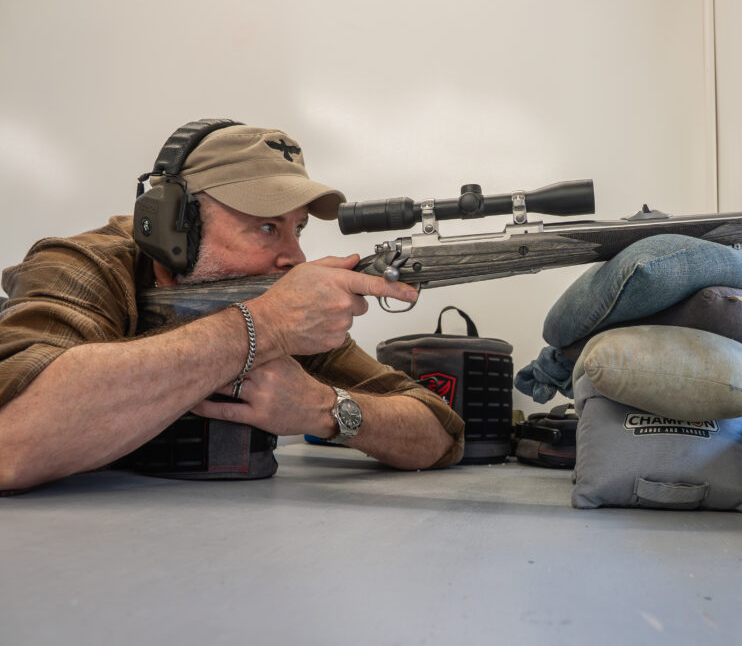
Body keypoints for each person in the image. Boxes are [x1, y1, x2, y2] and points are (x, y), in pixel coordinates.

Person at [0, 122, 463, 492]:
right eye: (266, 227)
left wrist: (326, 409)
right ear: (174, 226)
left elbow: (440, 435)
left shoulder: (264, 294)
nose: (295, 258)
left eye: (296, 229)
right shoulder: (83, 266)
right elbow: (9, 445)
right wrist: (263, 327)